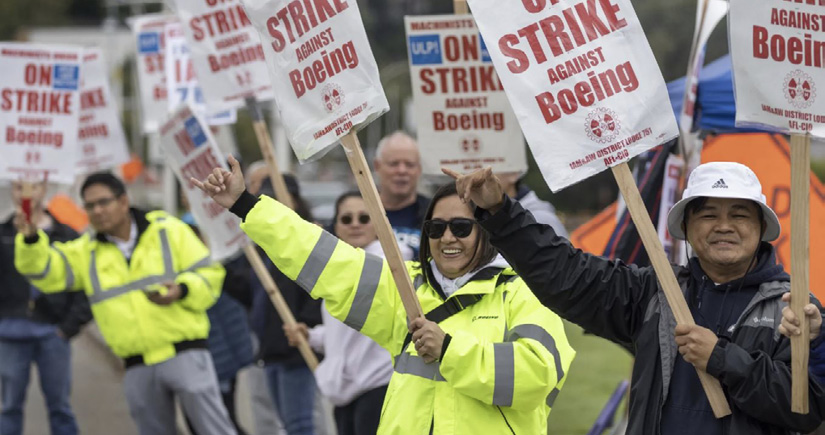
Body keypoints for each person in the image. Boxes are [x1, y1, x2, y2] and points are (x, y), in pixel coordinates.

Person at [193, 157, 574, 434]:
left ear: (486, 231)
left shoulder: (523, 293)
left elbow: (536, 376)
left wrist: (450, 350)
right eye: (436, 227)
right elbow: (320, 254)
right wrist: (246, 206)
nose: (447, 237)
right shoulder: (405, 289)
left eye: (461, 226)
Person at [445, 161, 825, 434]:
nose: (723, 226)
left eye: (740, 214)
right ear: (687, 229)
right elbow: (565, 274)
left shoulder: (794, 308)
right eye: (708, 214)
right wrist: (500, 211)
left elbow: (808, 410)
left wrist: (723, 359)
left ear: (761, 228)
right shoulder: (653, 292)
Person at [13, 172, 235, 435]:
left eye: (103, 202)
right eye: (90, 205)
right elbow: (44, 272)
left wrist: (182, 290)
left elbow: (210, 275)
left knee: (214, 430)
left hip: (185, 353)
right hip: (135, 366)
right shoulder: (86, 251)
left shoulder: (168, 230)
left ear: (123, 201)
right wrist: (29, 240)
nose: (97, 210)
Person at [283, 192, 407, 435]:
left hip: (379, 384)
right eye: (346, 219)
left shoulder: (393, 264)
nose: (355, 224)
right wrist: (311, 337)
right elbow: (344, 330)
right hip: (346, 391)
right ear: (337, 226)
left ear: (378, 224)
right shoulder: (338, 266)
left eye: (364, 218)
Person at [0, 181, 92, 435]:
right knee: (9, 407)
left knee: (60, 406)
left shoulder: (68, 234)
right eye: (18, 187)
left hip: (53, 333)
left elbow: (87, 284)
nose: (25, 194)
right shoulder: (3, 232)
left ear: (44, 188)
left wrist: (68, 327)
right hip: (10, 333)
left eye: (31, 187)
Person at [247, 176, 323, 435]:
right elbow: (253, 293)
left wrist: (307, 328)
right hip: (271, 348)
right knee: (286, 423)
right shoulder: (264, 245)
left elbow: (318, 292)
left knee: (299, 424)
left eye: (279, 199)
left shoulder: (308, 239)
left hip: (296, 348)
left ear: (294, 201)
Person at [373, 131, 430, 256]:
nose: (402, 171)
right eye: (394, 164)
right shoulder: (357, 214)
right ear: (377, 166)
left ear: (419, 169)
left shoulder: (434, 214)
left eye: (409, 165)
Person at [497, 173, 568, 238]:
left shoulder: (542, 220)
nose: (485, 174)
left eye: (491, 165)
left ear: (513, 174)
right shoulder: (492, 219)